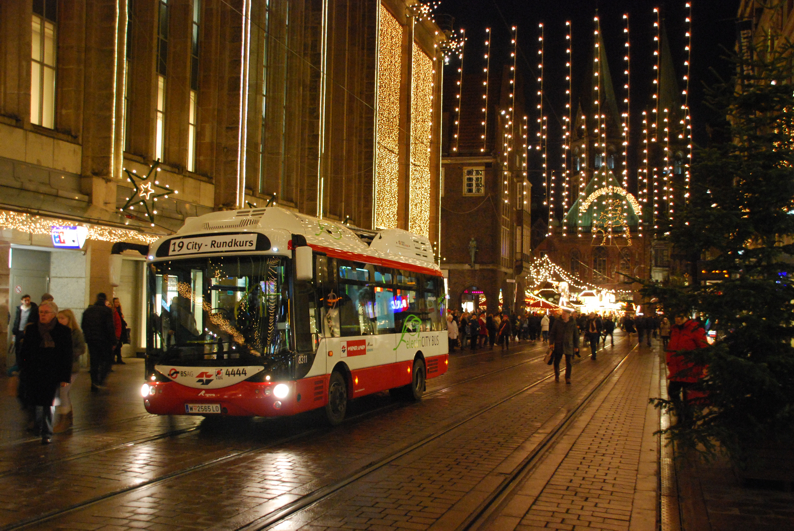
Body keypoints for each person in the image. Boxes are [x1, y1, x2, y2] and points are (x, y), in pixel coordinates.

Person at [18, 301, 72, 444]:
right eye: (40, 312)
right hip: (34, 372)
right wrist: (23, 367)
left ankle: (46, 432)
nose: (42, 315)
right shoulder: (32, 330)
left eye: (45, 312)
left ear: (54, 314)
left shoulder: (63, 332)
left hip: (52, 373)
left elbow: (67, 356)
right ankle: (38, 427)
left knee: (49, 403)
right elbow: (24, 351)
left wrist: (65, 377)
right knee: (35, 402)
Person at [665, 312, 708, 424]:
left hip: (691, 369)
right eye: (676, 316)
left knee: (688, 396)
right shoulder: (674, 329)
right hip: (676, 369)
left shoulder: (695, 329)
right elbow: (671, 346)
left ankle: (688, 421)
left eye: (680, 316)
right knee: (672, 392)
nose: (678, 319)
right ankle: (681, 414)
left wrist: (704, 367)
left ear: (686, 317)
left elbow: (704, 348)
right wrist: (669, 361)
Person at [53, 309, 86, 433]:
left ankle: (63, 420)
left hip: (71, 367)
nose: (60, 320)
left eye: (62, 318)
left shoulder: (76, 333)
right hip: (59, 366)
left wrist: (68, 354)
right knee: (62, 392)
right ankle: (67, 417)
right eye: (58, 318)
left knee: (63, 391)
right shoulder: (56, 332)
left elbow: (81, 349)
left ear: (69, 319)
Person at [81, 293, 117, 392]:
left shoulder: (88, 311)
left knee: (94, 361)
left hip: (92, 340)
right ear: (105, 300)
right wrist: (113, 341)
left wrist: (88, 337)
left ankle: (94, 382)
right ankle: (100, 381)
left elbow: (83, 325)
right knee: (107, 360)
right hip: (104, 340)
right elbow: (110, 327)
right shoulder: (107, 311)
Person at [548, 309, 579, 383]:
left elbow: (576, 335)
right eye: (562, 313)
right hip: (559, 344)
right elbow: (552, 333)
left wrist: (576, 346)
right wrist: (551, 343)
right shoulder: (557, 322)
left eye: (565, 314)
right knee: (556, 361)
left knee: (569, 362)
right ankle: (557, 375)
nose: (563, 315)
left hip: (569, 344)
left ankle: (568, 377)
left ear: (569, 315)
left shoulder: (572, 323)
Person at [12, 294, 39, 362]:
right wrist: (14, 331)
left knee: (27, 347)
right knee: (18, 348)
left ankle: (26, 362)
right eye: (25, 300)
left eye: (28, 300)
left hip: (27, 331)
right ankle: (18, 363)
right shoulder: (19, 309)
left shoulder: (33, 309)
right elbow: (17, 320)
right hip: (19, 331)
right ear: (22, 301)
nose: (27, 302)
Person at [112, 298, 128, 364]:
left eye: (118, 302)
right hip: (117, 331)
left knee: (119, 345)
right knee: (117, 345)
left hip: (120, 331)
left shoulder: (118, 311)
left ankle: (118, 358)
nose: (117, 303)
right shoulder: (115, 311)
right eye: (115, 302)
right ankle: (116, 358)